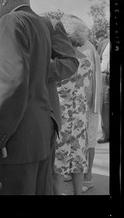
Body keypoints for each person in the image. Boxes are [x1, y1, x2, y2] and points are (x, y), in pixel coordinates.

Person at [0, 0, 54, 195]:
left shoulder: (12, 20)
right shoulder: (39, 23)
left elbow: (13, 83)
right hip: (36, 139)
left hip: (14, 144)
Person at [53, 14, 93, 195]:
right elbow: (86, 90)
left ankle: (58, 194)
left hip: (62, 114)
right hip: (80, 116)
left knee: (59, 162)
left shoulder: (63, 60)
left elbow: (59, 88)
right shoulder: (86, 61)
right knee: (78, 160)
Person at [78, 31, 102, 192]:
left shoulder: (87, 48)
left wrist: (88, 103)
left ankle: (88, 178)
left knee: (89, 141)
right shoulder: (82, 46)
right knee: (79, 140)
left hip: (87, 103)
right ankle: (79, 173)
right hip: (81, 103)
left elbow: (90, 80)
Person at [97, 36, 110, 144]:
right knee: (104, 107)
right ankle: (106, 135)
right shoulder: (103, 43)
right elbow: (98, 59)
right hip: (104, 77)